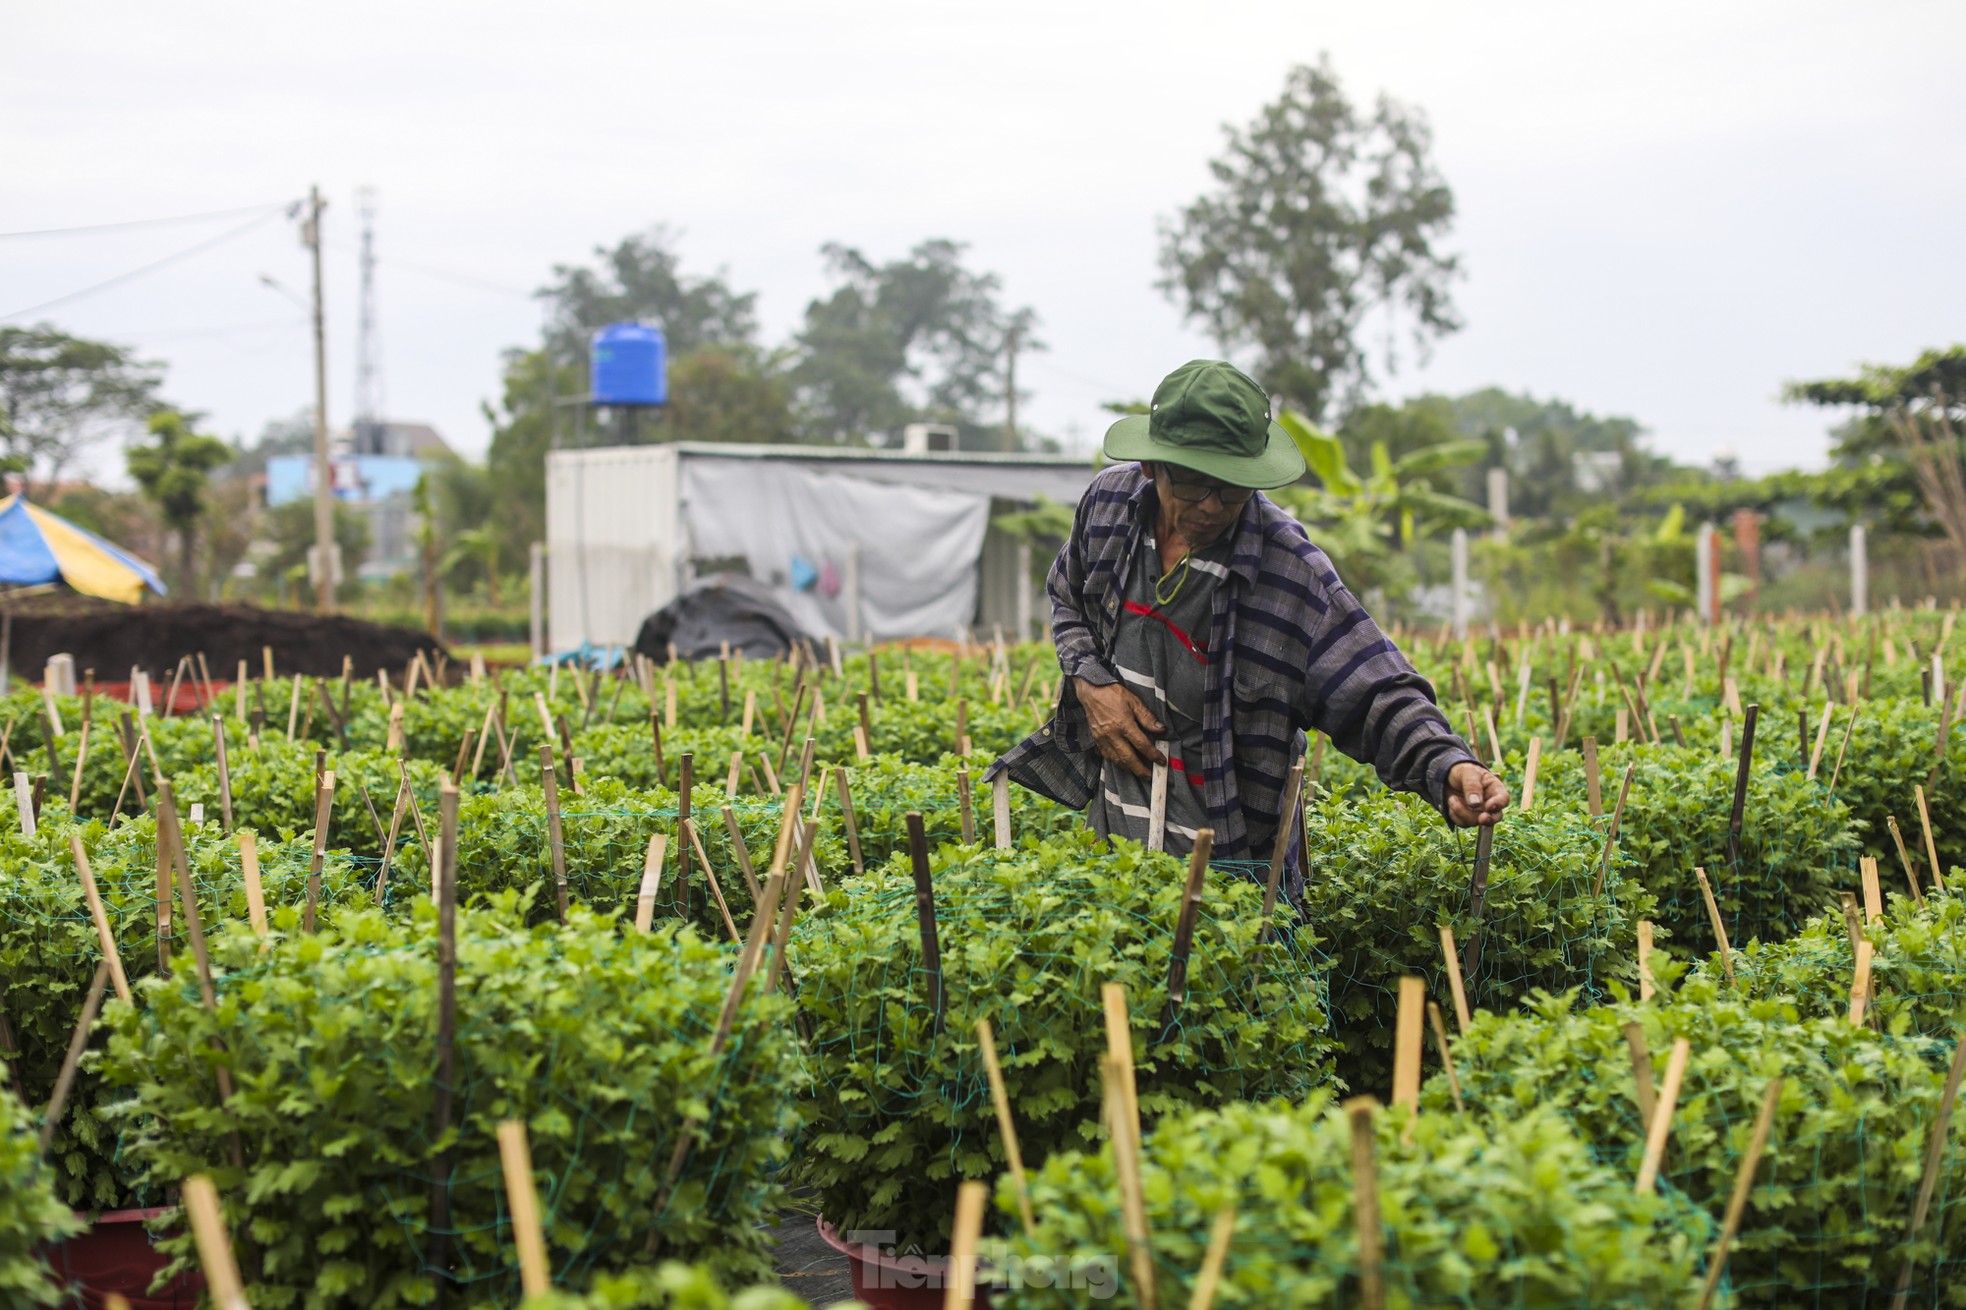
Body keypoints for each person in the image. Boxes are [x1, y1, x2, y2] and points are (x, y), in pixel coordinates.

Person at [989, 359, 1508, 899]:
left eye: (1233, 488)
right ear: (1151, 465)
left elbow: (1375, 688)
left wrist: (1446, 764)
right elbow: (1067, 596)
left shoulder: (1289, 572)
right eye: (1193, 485)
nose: (1212, 507)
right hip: (1114, 854)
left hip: (1228, 874)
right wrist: (1092, 684)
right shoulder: (1108, 509)